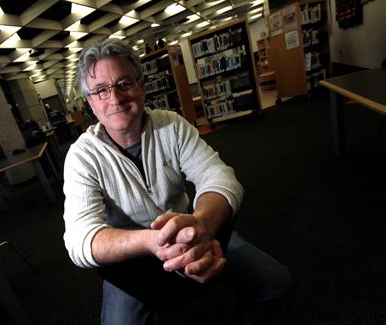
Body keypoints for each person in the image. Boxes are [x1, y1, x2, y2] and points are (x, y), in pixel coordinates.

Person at [62, 38, 292, 325]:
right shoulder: (81, 156)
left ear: (142, 87)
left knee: (276, 284)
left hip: (192, 233)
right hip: (130, 257)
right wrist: (152, 242)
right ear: (91, 103)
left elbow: (220, 178)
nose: (116, 99)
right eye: (101, 90)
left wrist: (203, 225)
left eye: (124, 84)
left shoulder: (172, 124)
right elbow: (80, 240)